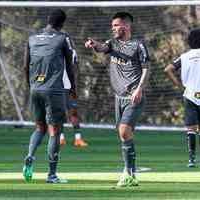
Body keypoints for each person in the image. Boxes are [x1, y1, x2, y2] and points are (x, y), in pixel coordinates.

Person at [85, 12, 150, 187]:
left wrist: (139, 89)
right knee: (124, 136)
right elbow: (102, 48)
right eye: (112, 25)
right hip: (118, 98)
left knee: (124, 131)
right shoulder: (112, 44)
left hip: (134, 97)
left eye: (116, 25)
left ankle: (128, 173)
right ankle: (131, 174)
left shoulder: (138, 45)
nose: (113, 28)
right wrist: (93, 45)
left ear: (126, 26)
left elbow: (145, 68)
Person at [23, 9, 76, 183]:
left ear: (47, 20)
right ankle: (52, 175)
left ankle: (30, 156)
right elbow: (69, 66)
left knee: (39, 128)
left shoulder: (32, 38)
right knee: (55, 131)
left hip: (35, 89)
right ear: (62, 23)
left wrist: (30, 85)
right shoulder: (63, 38)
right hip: (53, 90)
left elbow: (25, 66)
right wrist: (73, 88)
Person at [164, 28, 200, 168]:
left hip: (189, 95)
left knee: (190, 129)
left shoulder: (184, 57)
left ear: (189, 41)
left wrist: (177, 84)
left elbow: (168, 69)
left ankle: (191, 160)